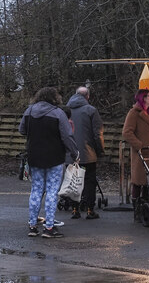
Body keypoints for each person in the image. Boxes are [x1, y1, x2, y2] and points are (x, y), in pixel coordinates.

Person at [19, 87, 78, 238]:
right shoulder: (58, 113)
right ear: (54, 98)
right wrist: (74, 152)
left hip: (34, 155)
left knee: (36, 190)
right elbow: (67, 136)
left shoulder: (29, 111)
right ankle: (49, 227)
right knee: (52, 191)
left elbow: (22, 130)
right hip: (54, 157)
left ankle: (32, 225)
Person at [122, 88, 149, 222]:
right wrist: (139, 145)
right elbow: (127, 132)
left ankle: (146, 210)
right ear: (143, 98)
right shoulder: (134, 113)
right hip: (141, 153)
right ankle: (137, 211)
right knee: (138, 182)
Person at [66, 86, 104, 220]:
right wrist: (99, 151)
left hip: (71, 154)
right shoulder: (91, 110)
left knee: (74, 182)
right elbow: (97, 134)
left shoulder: (66, 110)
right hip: (88, 153)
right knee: (89, 182)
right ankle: (89, 210)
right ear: (87, 96)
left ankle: (75, 209)